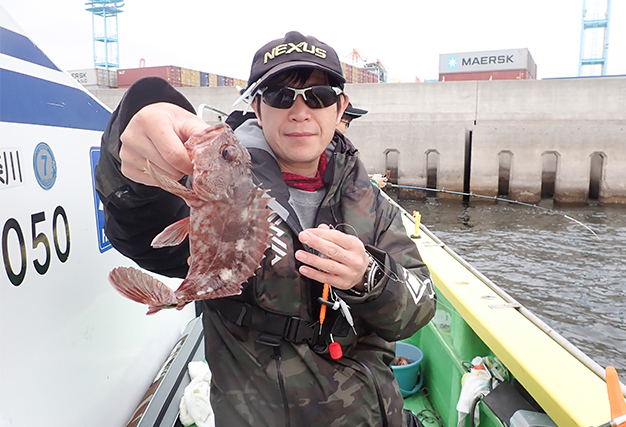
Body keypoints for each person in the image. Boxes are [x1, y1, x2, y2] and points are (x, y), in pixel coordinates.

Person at [95, 31, 435, 427]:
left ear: (341, 107)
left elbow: (419, 307)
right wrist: (133, 151)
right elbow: (139, 231)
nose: (300, 110)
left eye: (319, 95)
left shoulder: (372, 204)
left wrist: (369, 277)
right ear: (257, 105)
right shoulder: (220, 179)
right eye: (279, 95)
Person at [335, 102, 387, 188]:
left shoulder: (335, 146)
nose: (345, 130)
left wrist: (361, 178)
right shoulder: (332, 148)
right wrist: (373, 184)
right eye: (346, 124)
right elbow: (345, 190)